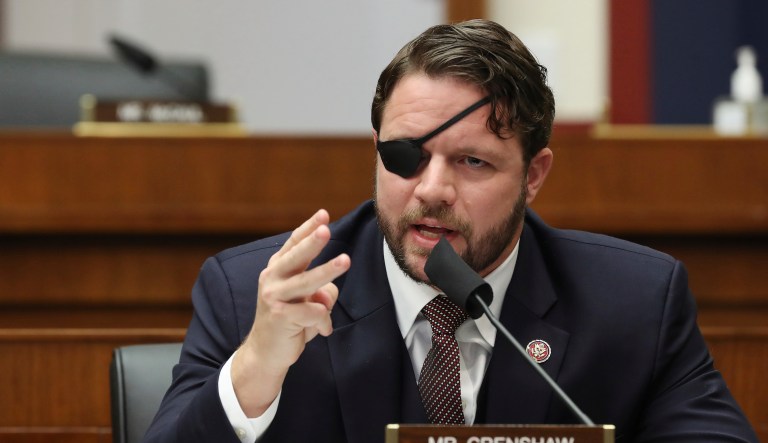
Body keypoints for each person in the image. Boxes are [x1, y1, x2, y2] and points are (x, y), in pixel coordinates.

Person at [144, 19, 758, 442]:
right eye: (406, 156)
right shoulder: (257, 293)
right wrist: (255, 367)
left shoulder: (633, 303)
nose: (432, 189)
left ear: (533, 174)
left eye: (472, 162)